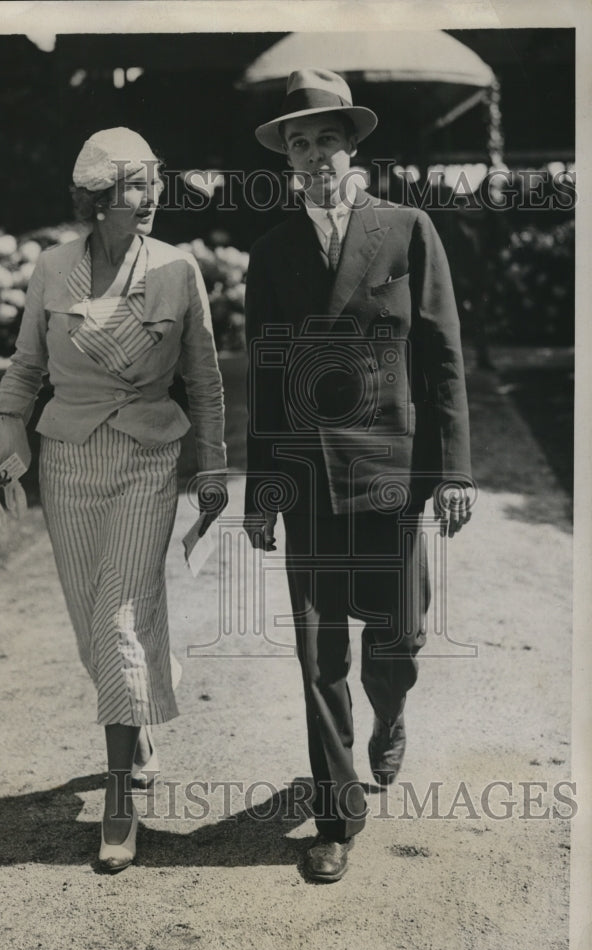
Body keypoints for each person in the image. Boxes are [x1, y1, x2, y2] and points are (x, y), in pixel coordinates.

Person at [244, 70, 472, 883]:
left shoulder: (408, 229)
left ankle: (393, 711)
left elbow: (442, 356)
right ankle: (337, 814)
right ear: (289, 160)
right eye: (299, 144)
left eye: (326, 140)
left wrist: (456, 471)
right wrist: (261, 487)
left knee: (397, 639)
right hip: (307, 476)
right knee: (316, 651)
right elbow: (265, 375)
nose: (313, 157)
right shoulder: (270, 253)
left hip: (392, 465)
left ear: (353, 145)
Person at [0, 128, 228, 872]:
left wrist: (213, 471)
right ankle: (140, 717)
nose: (150, 195)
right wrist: (2, 446)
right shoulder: (53, 267)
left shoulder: (179, 270)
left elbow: (208, 382)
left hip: (148, 458)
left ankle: (119, 801)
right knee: (95, 624)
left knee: (120, 615)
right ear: (97, 198)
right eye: (132, 184)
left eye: (154, 181)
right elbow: (26, 369)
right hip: (67, 462)